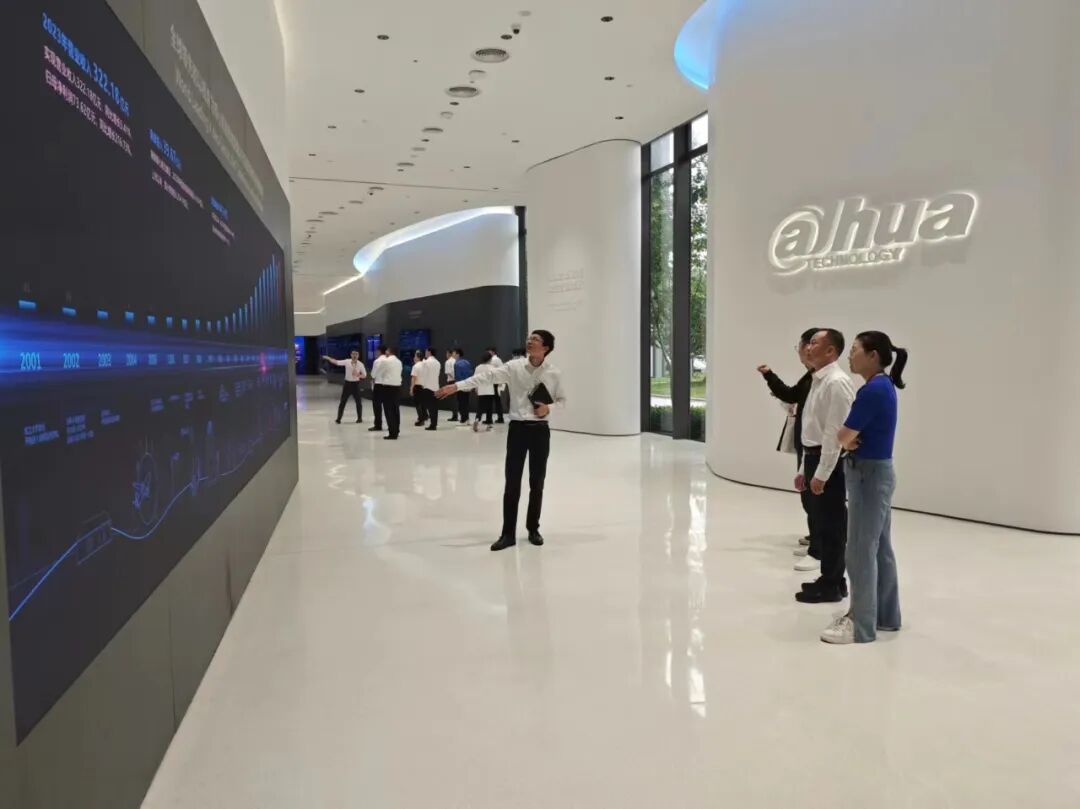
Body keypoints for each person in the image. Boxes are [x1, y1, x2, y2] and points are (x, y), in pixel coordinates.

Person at [437, 330, 565, 551]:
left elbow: (563, 401)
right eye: (529, 338)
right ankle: (508, 534)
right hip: (518, 429)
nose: (530, 341)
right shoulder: (514, 367)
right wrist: (457, 386)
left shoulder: (554, 373)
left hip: (540, 431)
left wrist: (549, 408)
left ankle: (533, 528)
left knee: (537, 482)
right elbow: (485, 377)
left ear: (546, 348)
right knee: (512, 482)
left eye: (535, 339)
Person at [821, 332, 908, 644]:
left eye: (855, 350)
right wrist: (848, 439)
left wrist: (846, 440)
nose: (850, 355)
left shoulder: (872, 391)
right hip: (877, 473)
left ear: (873, 356)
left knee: (859, 549)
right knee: (879, 547)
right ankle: (885, 615)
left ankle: (860, 623)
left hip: (868, 475)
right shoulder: (883, 386)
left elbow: (843, 435)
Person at [794, 329, 855, 604]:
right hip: (813, 457)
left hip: (826, 460)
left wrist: (821, 473)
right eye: (808, 343)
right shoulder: (818, 379)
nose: (808, 347)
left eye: (814, 343)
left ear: (831, 351)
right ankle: (831, 579)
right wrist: (803, 469)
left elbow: (834, 434)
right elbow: (811, 428)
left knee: (832, 525)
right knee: (823, 521)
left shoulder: (836, 383)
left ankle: (832, 584)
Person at [757, 327, 821, 571]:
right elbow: (792, 395)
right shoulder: (811, 377)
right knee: (808, 495)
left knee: (816, 498)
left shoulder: (829, 381)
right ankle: (817, 540)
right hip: (808, 446)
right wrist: (769, 376)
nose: (804, 351)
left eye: (806, 346)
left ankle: (820, 548)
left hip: (816, 449)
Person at [323, 350, 366, 424]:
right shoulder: (347, 361)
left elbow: (364, 375)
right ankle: (338, 419)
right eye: (353, 354)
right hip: (347, 384)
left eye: (356, 354)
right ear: (351, 355)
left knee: (358, 402)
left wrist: (358, 375)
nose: (354, 356)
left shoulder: (360, 364)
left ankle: (359, 418)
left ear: (358, 356)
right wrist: (328, 358)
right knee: (343, 402)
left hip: (355, 384)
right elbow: (336, 362)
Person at [378, 347, 404, 440]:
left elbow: (379, 373)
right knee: (396, 410)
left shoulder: (385, 361)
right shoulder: (399, 362)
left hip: (388, 388)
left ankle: (392, 433)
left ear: (389, 352)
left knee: (389, 410)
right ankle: (396, 430)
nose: (386, 352)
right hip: (397, 388)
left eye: (387, 350)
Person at [417, 348, 442, 431]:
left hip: (427, 386)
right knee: (435, 407)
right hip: (436, 386)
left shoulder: (426, 362)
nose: (425, 353)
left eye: (426, 351)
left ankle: (432, 425)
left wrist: (422, 384)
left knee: (430, 407)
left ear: (429, 352)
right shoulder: (438, 363)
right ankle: (434, 423)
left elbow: (423, 375)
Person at [472, 353, 497, 432]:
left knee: (480, 407)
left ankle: (477, 419)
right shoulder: (492, 367)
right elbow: (495, 378)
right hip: (490, 390)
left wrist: (476, 388)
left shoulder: (478, 367)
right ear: (490, 359)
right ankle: (489, 425)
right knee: (489, 408)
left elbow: (475, 379)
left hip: (481, 390)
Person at [451, 348, 473, 425]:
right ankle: (467, 418)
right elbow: (470, 373)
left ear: (457, 354)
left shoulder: (456, 364)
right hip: (468, 385)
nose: (452, 354)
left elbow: (457, 376)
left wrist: (457, 386)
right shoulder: (467, 362)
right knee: (466, 403)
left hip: (460, 385)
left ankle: (463, 419)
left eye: (454, 353)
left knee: (461, 402)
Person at [487, 347, 506, 424]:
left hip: (495, 383)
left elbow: (502, 370)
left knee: (494, 401)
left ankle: (498, 418)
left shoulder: (496, 360)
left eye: (489, 352)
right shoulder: (492, 360)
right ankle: (497, 418)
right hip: (492, 382)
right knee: (495, 401)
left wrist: (500, 381)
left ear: (493, 352)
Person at [411, 351, 426, 426]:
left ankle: (421, 420)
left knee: (417, 404)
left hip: (417, 386)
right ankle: (424, 416)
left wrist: (411, 388)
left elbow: (413, 378)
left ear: (418, 357)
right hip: (424, 386)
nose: (414, 358)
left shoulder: (415, 366)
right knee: (422, 403)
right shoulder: (425, 365)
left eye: (415, 356)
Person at [444, 350, 459, 422]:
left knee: (452, 399)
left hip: (451, 381)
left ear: (448, 354)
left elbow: (448, 372)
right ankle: (456, 415)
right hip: (458, 381)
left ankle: (455, 416)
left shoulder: (448, 362)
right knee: (456, 399)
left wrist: (454, 378)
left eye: (446, 353)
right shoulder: (456, 360)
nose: (446, 355)